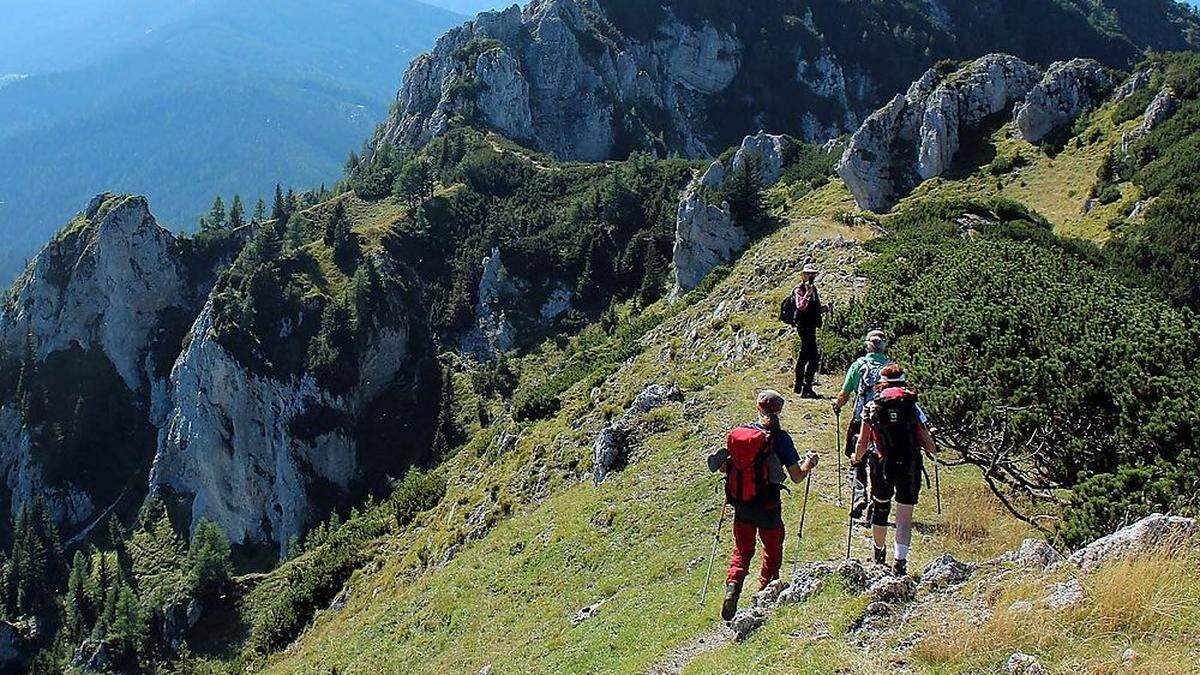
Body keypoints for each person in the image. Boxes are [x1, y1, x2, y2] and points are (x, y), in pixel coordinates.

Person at [707, 390, 819, 620]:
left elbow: (723, 467)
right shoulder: (780, 439)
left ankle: (733, 586)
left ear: (758, 407)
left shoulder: (742, 434)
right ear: (780, 410)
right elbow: (797, 476)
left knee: (742, 550)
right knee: (772, 549)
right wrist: (809, 462)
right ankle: (763, 593)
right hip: (768, 504)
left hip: (742, 505)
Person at [854, 364, 936, 576]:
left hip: (881, 463)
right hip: (909, 463)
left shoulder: (872, 406)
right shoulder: (911, 405)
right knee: (904, 516)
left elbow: (863, 442)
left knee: (881, 509)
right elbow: (927, 442)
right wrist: (932, 446)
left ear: (882, 383)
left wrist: (857, 458)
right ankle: (900, 561)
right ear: (903, 382)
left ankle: (879, 552)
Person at [833, 330, 893, 520]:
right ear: (884, 345)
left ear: (867, 345)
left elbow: (845, 393)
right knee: (879, 460)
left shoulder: (859, 365)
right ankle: (877, 501)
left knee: (856, 457)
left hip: (860, 418)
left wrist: (837, 405)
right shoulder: (891, 368)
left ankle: (859, 494)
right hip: (885, 423)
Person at [779, 264, 824, 398]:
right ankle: (806, 388)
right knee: (814, 358)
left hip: (810, 325)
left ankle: (799, 385)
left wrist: (825, 308)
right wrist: (808, 294)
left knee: (804, 356)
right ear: (803, 275)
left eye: (813, 274)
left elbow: (814, 308)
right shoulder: (799, 290)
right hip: (804, 326)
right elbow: (801, 306)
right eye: (809, 274)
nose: (811, 276)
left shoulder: (813, 289)